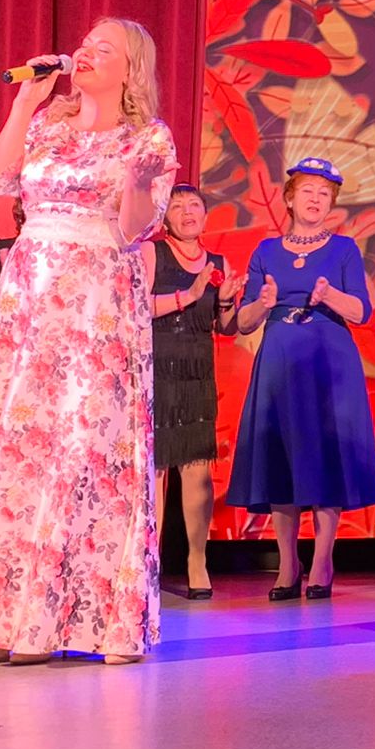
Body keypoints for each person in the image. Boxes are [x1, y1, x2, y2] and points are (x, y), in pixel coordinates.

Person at [0, 19, 176, 665]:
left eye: (104, 48)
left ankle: (73, 622)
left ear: (131, 70)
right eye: (85, 43)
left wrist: (139, 182)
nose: (86, 52)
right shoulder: (47, 125)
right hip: (31, 299)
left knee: (83, 448)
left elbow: (135, 229)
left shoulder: (147, 137)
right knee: (15, 447)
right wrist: (24, 102)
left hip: (97, 303)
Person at [224, 158, 375, 602]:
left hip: (329, 362)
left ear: (332, 203)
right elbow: (244, 322)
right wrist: (264, 303)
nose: (315, 199)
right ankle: (287, 563)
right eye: (307, 191)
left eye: (324, 193)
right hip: (279, 359)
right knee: (281, 455)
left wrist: (329, 295)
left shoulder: (344, 249)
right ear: (290, 199)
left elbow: (361, 312)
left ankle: (322, 561)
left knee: (326, 456)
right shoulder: (266, 251)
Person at [143, 185, 244, 600]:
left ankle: (197, 561)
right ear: (164, 217)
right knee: (155, 471)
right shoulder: (151, 253)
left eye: (194, 205)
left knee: (197, 468)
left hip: (198, 375)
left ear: (205, 214)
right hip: (156, 371)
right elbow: (137, 307)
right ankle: (147, 562)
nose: (187, 212)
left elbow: (227, 327)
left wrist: (226, 302)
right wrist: (189, 294)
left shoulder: (218, 263)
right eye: (177, 206)